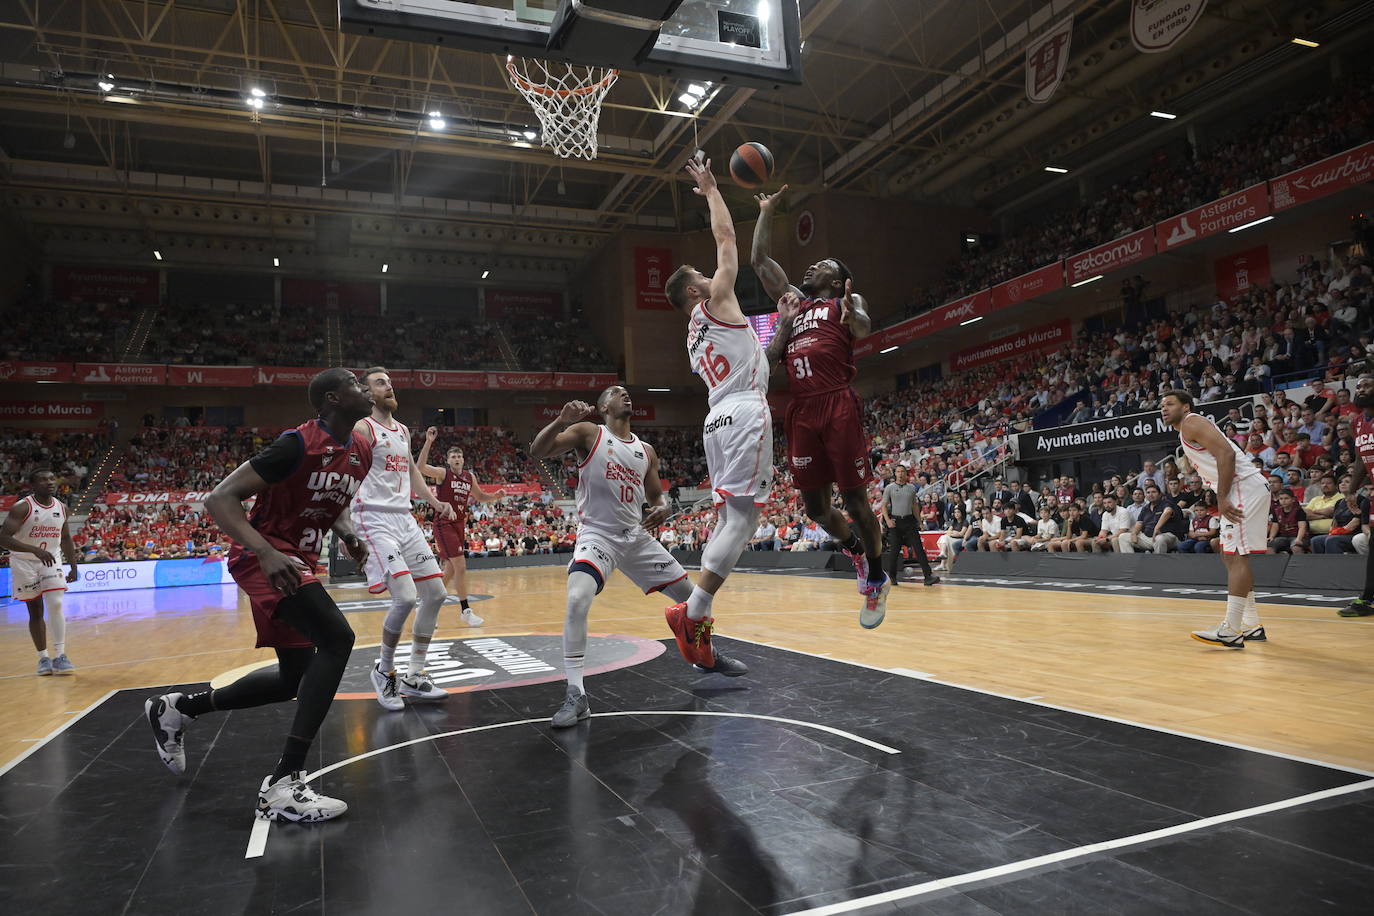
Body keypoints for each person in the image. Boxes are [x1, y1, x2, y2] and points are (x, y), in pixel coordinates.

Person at [144, 368, 373, 822]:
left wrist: (346, 531)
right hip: (265, 559)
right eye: (356, 383)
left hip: (297, 562)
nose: (365, 389)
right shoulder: (296, 443)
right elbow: (220, 498)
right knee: (337, 639)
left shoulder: (361, 447)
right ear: (331, 398)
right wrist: (266, 553)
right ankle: (283, 784)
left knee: (293, 679)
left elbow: (334, 499)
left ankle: (179, 709)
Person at [530, 388, 744, 727]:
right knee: (576, 598)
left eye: (627, 393)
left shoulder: (646, 451)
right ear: (602, 407)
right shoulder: (590, 433)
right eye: (617, 394)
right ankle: (576, 693)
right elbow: (537, 450)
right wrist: (561, 420)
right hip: (598, 534)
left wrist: (662, 509)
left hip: (636, 537)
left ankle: (704, 655)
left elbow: (658, 498)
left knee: (695, 598)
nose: (625, 396)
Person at [752, 185, 889, 627]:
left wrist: (854, 314)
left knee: (854, 498)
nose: (812, 265)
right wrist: (767, 212)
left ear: (836, 279)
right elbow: (759, 263)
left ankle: (877, 574)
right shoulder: (795, 302)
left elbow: (865, 326)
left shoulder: (844, 302)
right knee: (814, 508)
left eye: (822, 265)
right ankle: (853, 550)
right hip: (801, 410)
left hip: (837, 405)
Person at [663, 156, 775, 650]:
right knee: (746, 519)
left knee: (731, 519)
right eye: (702, 276)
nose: (713, 275)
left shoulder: (691, 335)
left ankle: (696, 612)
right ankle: (694, 610)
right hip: (745, 410)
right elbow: (728, 240)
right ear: (694, 290)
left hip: (715, 419)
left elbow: (754, 353)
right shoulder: (716, 301)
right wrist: (711, 190)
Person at [344, 368, 461, 711]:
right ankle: (384, 670)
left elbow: (411, 472)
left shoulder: (404, 431)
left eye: (390, 382)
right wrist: (345, 527)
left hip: (404, 518)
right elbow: (347, 472)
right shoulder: (362, 428)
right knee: (406, 597)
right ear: (367, 394)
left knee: (437, 593)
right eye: (380, 383)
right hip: (373, 518)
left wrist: (436, 502)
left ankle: (414, 673)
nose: (389, 386)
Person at [1161, 389, 1270, 647]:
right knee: (1228, 554)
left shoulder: (1192, 422)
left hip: (1242, 487)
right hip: (1244, 487)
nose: (1163, 408)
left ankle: (1231, 629)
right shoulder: (1186, 428)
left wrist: (1221, 497)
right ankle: (1251, 623)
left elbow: (1227, 454)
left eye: (1170, 404)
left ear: (1186, 406)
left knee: (1235, 556)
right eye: (1161, 406)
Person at [416, 432, 504, 625]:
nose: (456, 459)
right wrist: (429, 442)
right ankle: (465, 611)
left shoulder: (469, 477)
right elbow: (420, 467)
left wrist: (495, 496)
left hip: (459, 524)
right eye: (453, 456)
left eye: (459, 456)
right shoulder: (443, 473)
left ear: (463, 459)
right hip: (444, 522)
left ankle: (427, 607)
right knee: (460, 567)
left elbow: (480, 497)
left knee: (449, 570)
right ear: (448, 461)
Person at [0, 468, 79, 675]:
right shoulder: (22, 508)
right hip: (24, 562)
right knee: (35, 611)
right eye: (43, 480)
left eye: (52, 478)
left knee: (56, 603)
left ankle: (61, 655)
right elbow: (4, 538)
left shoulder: (62, 508)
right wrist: (34, 550)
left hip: (51, 560)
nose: (50, 482)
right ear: (33, 485)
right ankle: (43, 658)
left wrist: (73, 565)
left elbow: (65, 538)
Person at [1340, 374, 1374, 616]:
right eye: (1358, 386)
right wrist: (1352, 490)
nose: (1360, 389)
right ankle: (1367, 599)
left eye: (1367, 385)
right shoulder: (1359, 422)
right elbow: (1361, 459)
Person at [880, 465, 939, 586]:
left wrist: (920, 522)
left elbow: (915, 506)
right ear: (895, 473)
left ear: (906, 474)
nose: (900, 474)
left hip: (909, 522)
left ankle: (928, 577)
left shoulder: (912, 488)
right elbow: (883, 506)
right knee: (894, 552)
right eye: (898, 471)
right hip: (896, 523)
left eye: (902, 471)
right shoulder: (889, 488)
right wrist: (888, 520)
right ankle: (892, 577)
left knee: (919, 549)